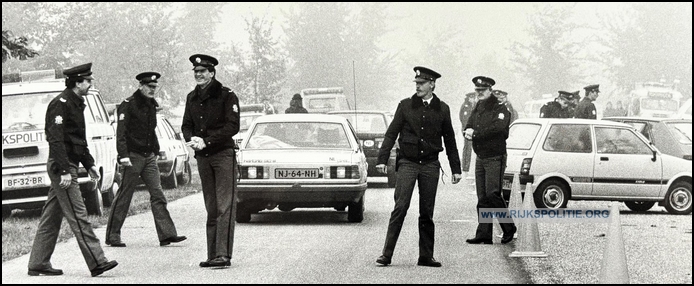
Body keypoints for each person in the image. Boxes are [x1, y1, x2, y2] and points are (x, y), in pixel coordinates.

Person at [27, 63, 118, 277]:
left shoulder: (76, 103)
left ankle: (38, 263)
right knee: (79, 215)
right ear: (78, 83)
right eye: (88, 81)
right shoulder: (61, 104)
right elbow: (55, 139)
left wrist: (90, 165)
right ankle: (98, 261)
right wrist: (64, 170)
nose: (90, 84)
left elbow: (78, 139)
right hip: (63, 166)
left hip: (70, 164)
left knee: (51, 217)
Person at [375, 66, 462, 267]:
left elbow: (450, 140)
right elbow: (391, 133)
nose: (418, 87)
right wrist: (382, 159)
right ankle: (386, 254)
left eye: (422, 83)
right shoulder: (405, 106)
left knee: (426, 211)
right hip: (408, 163)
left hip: (430, 165)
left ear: (432, 84)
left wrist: (456, 169)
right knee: (400, 207)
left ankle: (425, 256)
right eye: (416, 83)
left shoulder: (443, 108)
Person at [105, 72, 187, 248]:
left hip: (148, 156)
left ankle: (167, 234)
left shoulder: (151, 105)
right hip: (132, 156)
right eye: (149, 87)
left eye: (154, 87)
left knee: (158, 194)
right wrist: (123, 156)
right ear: (140, 86)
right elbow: (121, 134)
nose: (152, 90)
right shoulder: (128, 105)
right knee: (124, 195)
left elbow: (151, 131)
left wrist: (156, 150)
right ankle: (113, 235)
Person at [181, 54, 240, 268]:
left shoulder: (226, 96)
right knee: (211, 206)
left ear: (212, 73)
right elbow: (186, 125)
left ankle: (223, 254)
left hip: (222, 155)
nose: (198, 75)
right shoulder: (192, 97)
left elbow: (232, 126)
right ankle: (212, 254)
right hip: (203, 157)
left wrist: (207, 141)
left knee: (225, 205)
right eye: (196, 72)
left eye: (202, 72)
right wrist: (193, 140)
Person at [464, 76, 516, 245]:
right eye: (477, 90)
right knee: (482, 197)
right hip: (481, 156)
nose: (479, 93)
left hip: (495, 156)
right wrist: (467, 130)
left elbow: (498, 128)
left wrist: (476, 134)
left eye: (482, 90)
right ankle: (484, 233)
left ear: (490, 91)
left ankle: (508, 228)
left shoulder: (500, 108)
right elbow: (469, 123)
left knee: (493, 193)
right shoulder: (478, 106)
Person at [459, 92, 477, 178]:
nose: (472, 99)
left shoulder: (476, 106)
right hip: (468, 131)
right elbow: (463, 118)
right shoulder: (465, 106)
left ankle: (473, 168)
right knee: (467, 149)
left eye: (473, 97)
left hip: (475, 130)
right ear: (468, 98)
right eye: (471, 98)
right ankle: (465, 167)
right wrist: (466, 129)